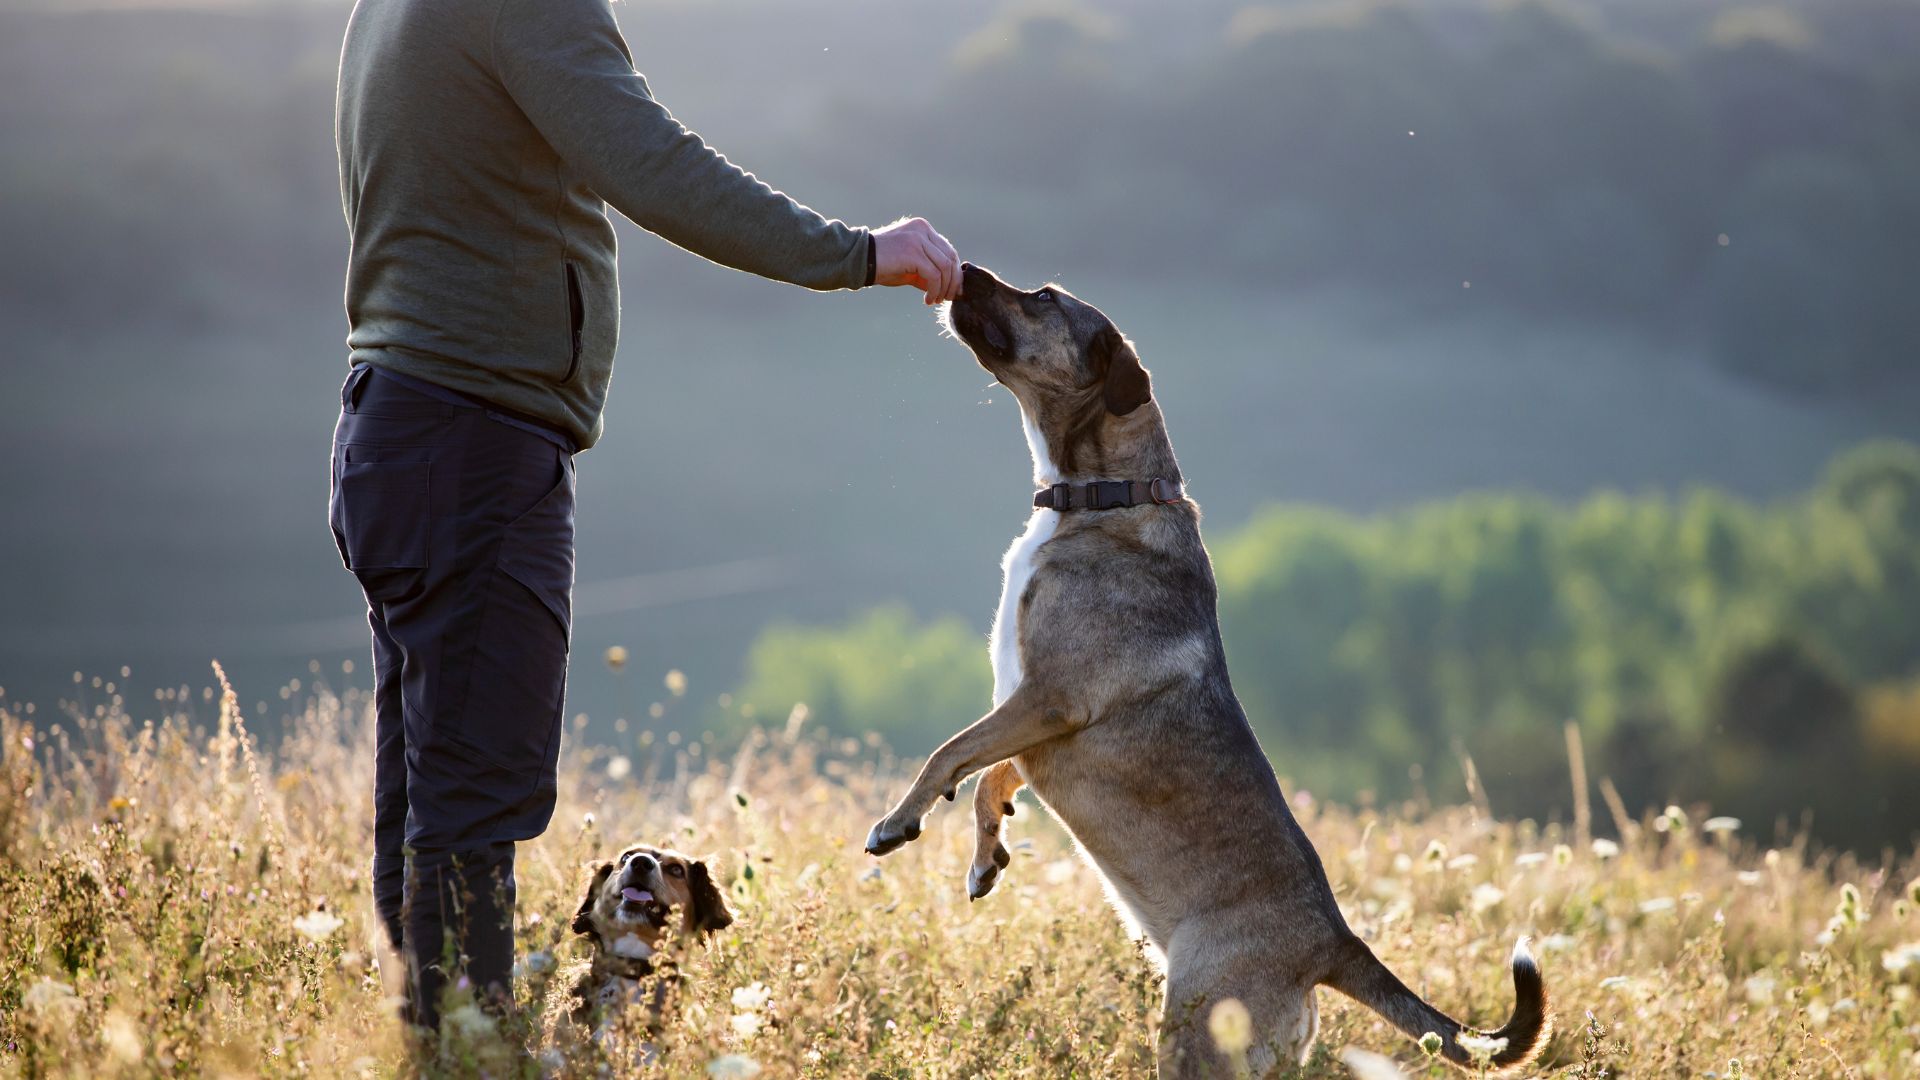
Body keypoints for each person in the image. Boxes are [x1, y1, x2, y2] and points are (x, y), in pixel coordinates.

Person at [329, 0, 961, 1032]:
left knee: (429, 782)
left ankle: (435, 1032)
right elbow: (653, 164)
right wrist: (855, 252)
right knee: (474, 794)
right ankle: (469, 1048)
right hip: (474, 444)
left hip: (396, 428)